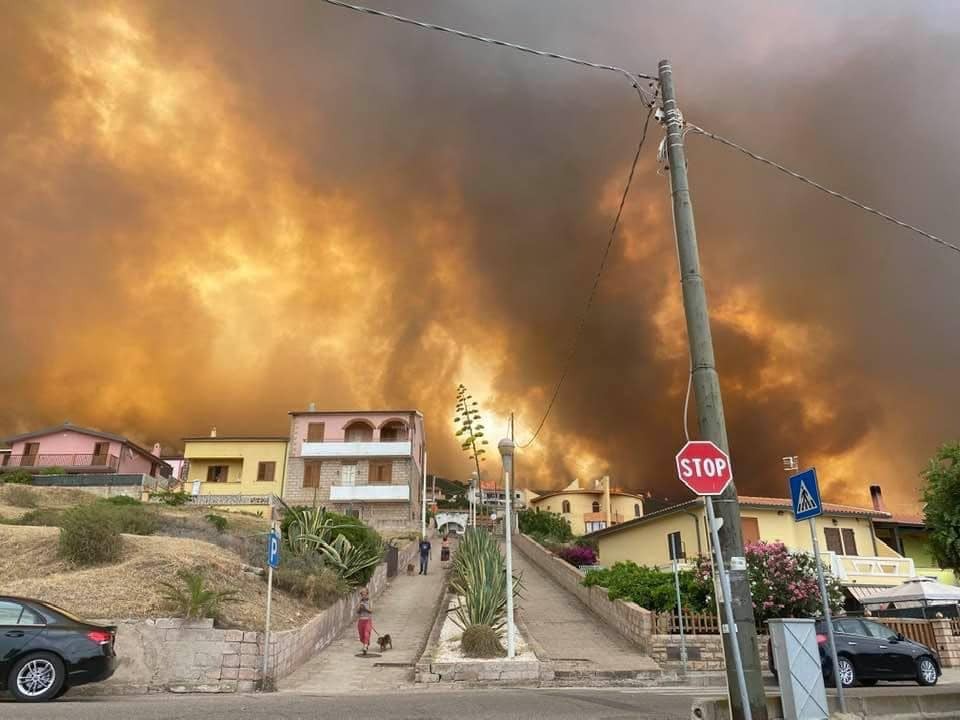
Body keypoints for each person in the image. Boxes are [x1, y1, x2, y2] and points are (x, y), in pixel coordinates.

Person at [356, 587, 373, 654]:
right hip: (361, 620)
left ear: (367, 593)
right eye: (362, 594)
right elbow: (357, 611)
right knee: (361, 635)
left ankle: (365, 647)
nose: (363, 595)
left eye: (364, 593)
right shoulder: (360, 602)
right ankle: (366, 643)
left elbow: (371, 610)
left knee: (366, 633)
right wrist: (360, 608)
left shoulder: (370, 601)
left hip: (367, 620)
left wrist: (365, 608)